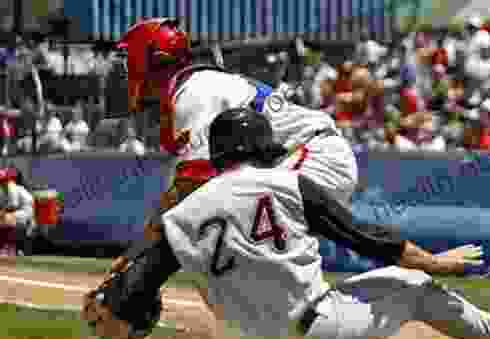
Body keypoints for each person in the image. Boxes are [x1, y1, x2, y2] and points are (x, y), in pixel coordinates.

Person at [68, 108, 490, 339]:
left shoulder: (182, 214)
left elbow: (133, 292)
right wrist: (432, 261)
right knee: (419, 289)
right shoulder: (289, 184)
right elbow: (368, 240)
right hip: (319, 331)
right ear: (262, 145)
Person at [105, 18, 357, 274]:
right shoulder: (191, 90)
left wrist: (139, 255)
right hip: (299, 160)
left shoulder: (193, 92)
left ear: (153, 60)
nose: (123, 72)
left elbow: (190, 185)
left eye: (129, 60)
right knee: (240, 260)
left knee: (228, 238)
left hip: (313, 155)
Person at [0, 168, 34, 256]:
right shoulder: (4, 188)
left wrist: (2, 212)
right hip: (21, 212)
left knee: (5, 218)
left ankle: (8, 249)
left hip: (26, 212)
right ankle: (9, 248)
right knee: (4, 218)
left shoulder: (10, 186)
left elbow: (13, 205)